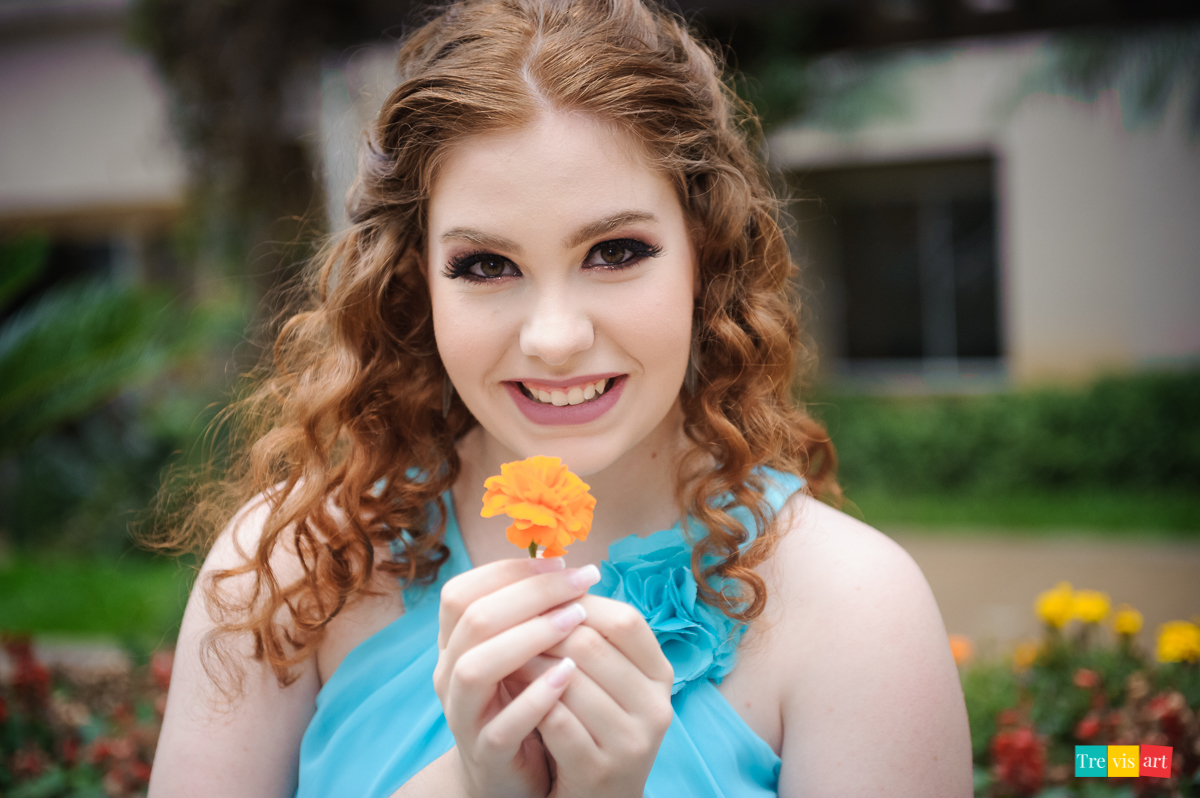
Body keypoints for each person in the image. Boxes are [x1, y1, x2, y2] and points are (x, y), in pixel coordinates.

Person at [148, 0, 973, 796]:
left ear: (706, 255)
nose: (553, 337)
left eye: (614, 251)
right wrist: (470, 789)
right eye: (485, 265)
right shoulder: (292, 569)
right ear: (413, 284)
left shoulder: (857, 610)